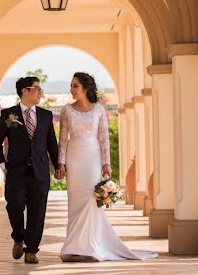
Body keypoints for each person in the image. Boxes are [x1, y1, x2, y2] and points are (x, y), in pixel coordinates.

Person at [56, 72, 145, 262]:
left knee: (91, 200)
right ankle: (74, 248)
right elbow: (62, 139)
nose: (71, 89)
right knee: (75, 203)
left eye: (75, 86)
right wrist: (61, 163)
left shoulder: (99, 110)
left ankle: (91, 246)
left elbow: (104, 139)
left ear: (85, 88)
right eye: (71, 85)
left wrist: (107, 163)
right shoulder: (66, 111)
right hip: (74, 157)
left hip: (93, 158)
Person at [0, 76, 59, 264]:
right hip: (15, 171)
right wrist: (2, 165)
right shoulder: (8, 115)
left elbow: (52, 144)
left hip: (40, 171)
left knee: (37, 211)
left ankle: (31, 250)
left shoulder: (45, 115)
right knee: (14, 205)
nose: (40, 92)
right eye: (37, 88)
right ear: (25, 91)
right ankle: (18, 237)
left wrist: (58, 165)